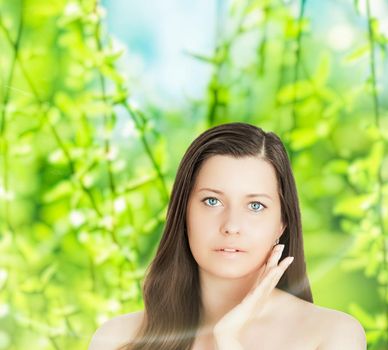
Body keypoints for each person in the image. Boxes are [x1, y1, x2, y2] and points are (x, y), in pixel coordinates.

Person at [88, 122, 367, 349]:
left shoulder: (331, 334)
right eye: (212, 201)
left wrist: (228, 339)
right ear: (182, 213)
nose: (232, 225)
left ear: (281, 224)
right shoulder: (118, 338)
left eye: (255, 206)